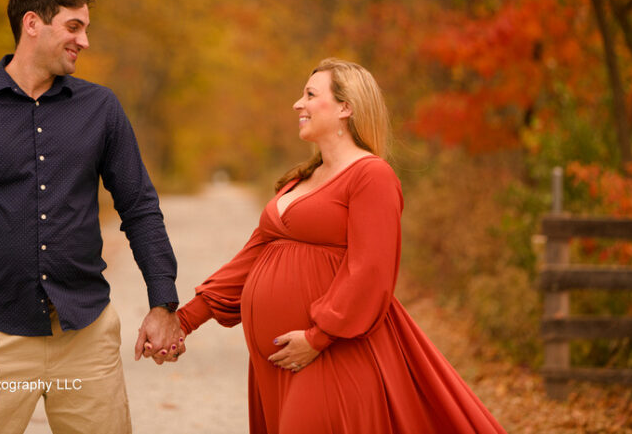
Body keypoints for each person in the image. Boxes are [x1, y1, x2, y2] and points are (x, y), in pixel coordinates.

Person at [173, 58, 506, 434]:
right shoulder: (300, 179)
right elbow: (251, 259)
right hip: (279, 361)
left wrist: (318, 337)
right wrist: (185, 320)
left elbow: (371, 270)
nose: (298, 105)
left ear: (346, 108)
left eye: (310, 95)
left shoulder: (372, 176)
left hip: (330, 353)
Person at [0, 0, 184, 434]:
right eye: (74, 27)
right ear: (32, 24)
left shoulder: (101, 108)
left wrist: (164, 302)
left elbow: (139, 208)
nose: (85, 40)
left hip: (86, 335)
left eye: (86, 29)